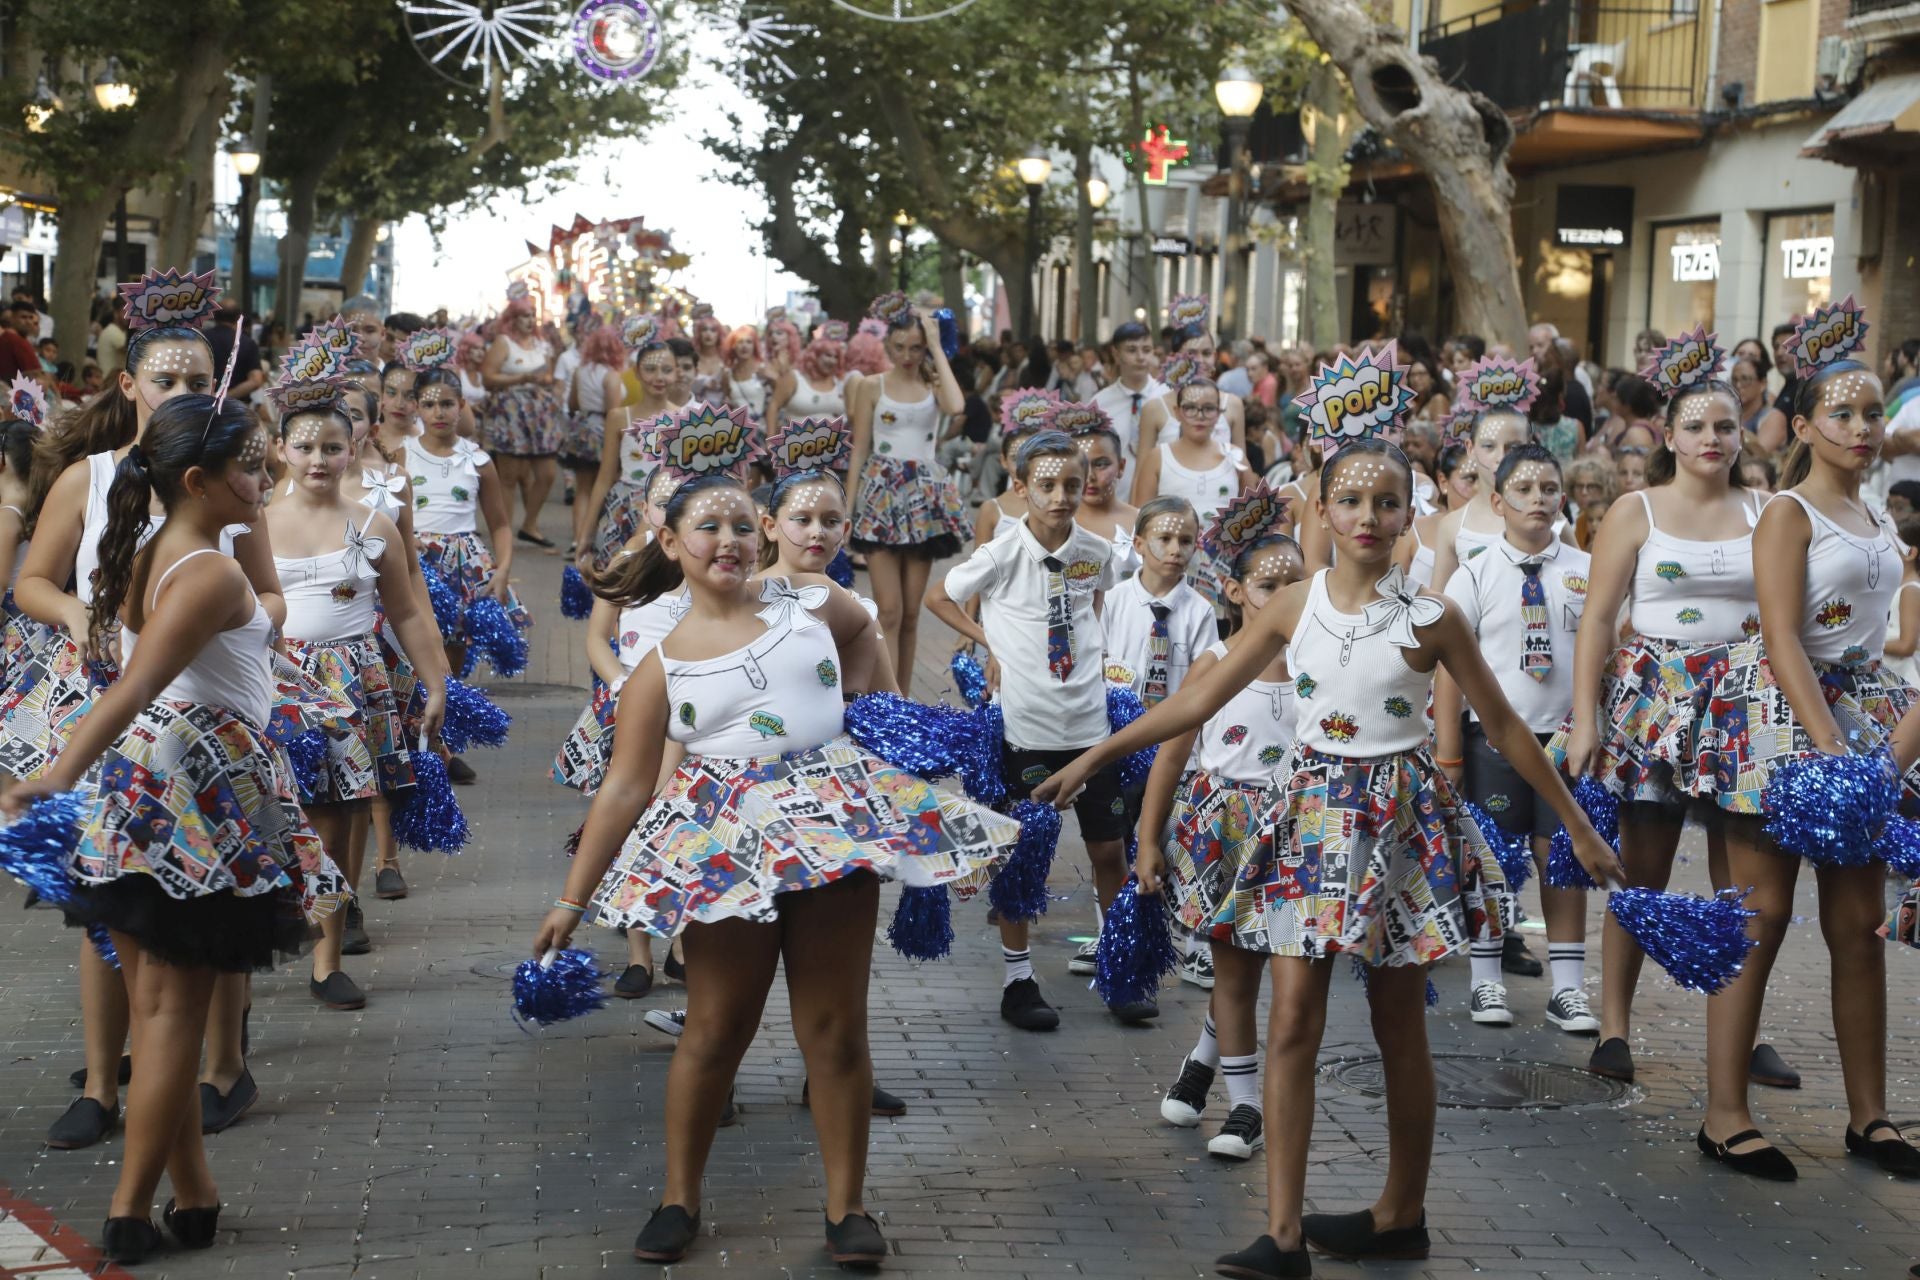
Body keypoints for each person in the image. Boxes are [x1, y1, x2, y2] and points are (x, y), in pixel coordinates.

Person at [1035, 418, 1618, 1278]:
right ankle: (1281, 1235)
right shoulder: (1292, 604)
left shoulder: (1432, 617)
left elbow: (1502, 724)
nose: (1368, 517)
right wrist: (1094, 756)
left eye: (1387, 502)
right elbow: (1196, 703)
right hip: (1308, 818)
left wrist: (1576, 823)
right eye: (1350, 500)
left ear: (1411, 513)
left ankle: (1401, 1215)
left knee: (1398, 1025)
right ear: (1321, 509)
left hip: (1401, 822)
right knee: (1293, 1021)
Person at [532, 416, 1013, 1268]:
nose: (727, 540)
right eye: (706, 527)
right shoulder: (659, 665)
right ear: (671, 544)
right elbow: (626, 789)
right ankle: (679, 1197)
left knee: (835, 1029)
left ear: (762, 536)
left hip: (831, 824)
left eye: (740, 525)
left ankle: (847, 1208)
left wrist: (874, 717)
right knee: (717, 1028)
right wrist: (572, 901)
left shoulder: (814, 604)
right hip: (725, 843)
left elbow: (864, 638)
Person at [2, 395, 347, 1266]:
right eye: (252, 467)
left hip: (147, 784)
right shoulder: (211, 574)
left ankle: (194, 1194)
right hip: (197, 788)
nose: (265, 479)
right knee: (169, 1019)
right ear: (198, 481)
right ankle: (127, 1210)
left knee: (165, 1015)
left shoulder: (149, 550)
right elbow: (134, 686)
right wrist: (55, 776)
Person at [1701, 324, 1920, 1181]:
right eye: (1843, 414)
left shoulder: (1875, 514)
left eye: (1872, 413)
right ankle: (1725, 1114)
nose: (1862, 428)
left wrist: (1875, 754)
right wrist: (1830, 749)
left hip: (1861, 712)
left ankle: (1871, 1116)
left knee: (1858, 926)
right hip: (1781, 717)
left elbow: (1878, 635)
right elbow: (1782, 637)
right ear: (1802, 426)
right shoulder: (1788, 514)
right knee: (1758, 918)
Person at [1553, 336, 1794, 1088]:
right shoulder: (1636, 510)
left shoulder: (1767, 510)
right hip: (1654, 700)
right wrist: (1585, 718)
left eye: (1725, 426)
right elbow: (1598, 620)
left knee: (1744, 880)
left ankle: (1744, 1032)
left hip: (1744, 702)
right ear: (1669, 435)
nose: (1711, 439)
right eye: (1695, 427)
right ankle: (1614, 1028)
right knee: (1642, 868)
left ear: (1741, 434)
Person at [926, 430, 1137, 1028]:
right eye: (1046, 484)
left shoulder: (1096, 551)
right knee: (1022, 855)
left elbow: (1096, 603)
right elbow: (939, 597)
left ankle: (1118, 966)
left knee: (1108, 851)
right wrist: (989, 641)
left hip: (1091, 726)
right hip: (1026, 728)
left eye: (1072, 483)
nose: (1061, 496)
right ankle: (1018, 979)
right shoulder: (1001, 554)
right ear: (1020, 487)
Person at [267, 372, 447, 1012]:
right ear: (281, 449)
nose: (318, 460)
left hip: (353, 678)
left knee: (340, 816)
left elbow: (407, 612)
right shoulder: (252, 524)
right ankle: (268, 929)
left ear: (353, 450)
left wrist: (435, 683)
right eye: (305, 447)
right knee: (276, 810)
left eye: (332, 448)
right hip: (274, 680)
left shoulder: (375, 524)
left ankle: (328, 959)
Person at [1147, 486, 1302, 1161]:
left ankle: (1204, 1062)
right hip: (1224, 833)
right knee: (1235, 972)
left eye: (1298, 583)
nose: (1287, 596)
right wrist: (1148, 839)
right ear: (1236, 593)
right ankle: (1246, 1106)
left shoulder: (1319, 665)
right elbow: (1171, 752)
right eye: (1270, 586)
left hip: (1296, 831)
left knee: (1271, 970)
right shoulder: (1213, 664)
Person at [1436, 443, 1597, 1033]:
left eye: (1549, 489)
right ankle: (1486, 978)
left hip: (1566, 738)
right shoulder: (1475, 573)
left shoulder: (1585, 570)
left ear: (1563, 499)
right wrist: (1449, 751)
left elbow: (1604, 650)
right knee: (1493, 859)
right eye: (1524, 490)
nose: (1538, 499)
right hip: (1493, 741)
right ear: (1498, 501)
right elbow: (1449, 667)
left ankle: (1568, 988)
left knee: (1562, 857)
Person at [844, 296, 969, 694]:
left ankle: (905, 697)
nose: (907, 356)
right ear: (887, 344)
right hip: (881, 493)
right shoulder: (870, 385)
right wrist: (848, 509)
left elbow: (957, 405)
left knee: (912, 613)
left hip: (924, 498)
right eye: (899, 346)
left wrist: (936, 346)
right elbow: (859, 449)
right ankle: (886, 696)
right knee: (889, 610)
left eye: (916, 347)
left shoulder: (934, 383)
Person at [407, 364, 524, 716]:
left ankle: (446, 726)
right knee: (412, 641)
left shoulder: (479, 460)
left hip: (463, 562)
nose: (438, 413)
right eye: (429, 404)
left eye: (446, 404)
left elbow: (500, 524)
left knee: (455, 645)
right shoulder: (401, 455)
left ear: (461, 405)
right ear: (416, 407)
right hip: (415, 563)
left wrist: (503, 570)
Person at [583, 324, 686, 568]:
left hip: (665, 509)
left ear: (676, 374)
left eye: (666, 370)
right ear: (637, 373)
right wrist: (585, 534)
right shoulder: (619, 417)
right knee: (613, 575)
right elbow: (604, 478)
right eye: (650, 369)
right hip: (622, 508)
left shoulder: (685, 419)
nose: (659, 377)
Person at [479, 289, 562, 550]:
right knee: (509, 476)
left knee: (547, 473)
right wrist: (521, 378)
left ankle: (530, 524)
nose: (530, 320)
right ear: (512, 319)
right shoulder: (504, 342)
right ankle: (502, 532)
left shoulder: (542, 344)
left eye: (532, 315)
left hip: (539, 412)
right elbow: (488, 378)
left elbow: (549, 376)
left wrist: (543, 380)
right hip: (511, 411)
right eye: (524, 315)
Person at [563, 323, 626, 558]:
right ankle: (596, 540)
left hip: (582, 429)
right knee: (605, 484)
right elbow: (614, 411)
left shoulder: (580, 371)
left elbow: (572, 403)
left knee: (582, 488)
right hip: (603, 432)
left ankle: (577, 539)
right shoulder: (611, 376)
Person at [1091, 321, 1166, 470]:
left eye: (1146, 350)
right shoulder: (1100, 404)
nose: (1140, 357)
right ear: (1116, 354)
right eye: (1132, 350)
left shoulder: (1167, 398)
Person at [767, 319, 850, 432]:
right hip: (794, 441)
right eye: (827, 355)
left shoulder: (841, 383)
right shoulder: (794, 378)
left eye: (835, 357)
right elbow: (774, 406)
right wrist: (770, 438)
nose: (831, 361)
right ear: (815, 356)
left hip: (832, 442)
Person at [1885, 511, 1920, 688]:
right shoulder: (1899, 587)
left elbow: (1907, 645)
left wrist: (1868, 645)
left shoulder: (1911, 590)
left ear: (1910, 553)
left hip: (1904, 681)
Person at [205, 309, 265, 404]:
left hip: (203, 405)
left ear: (214, 317)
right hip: (237, 406)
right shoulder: (248, 343)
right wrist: (221, 397)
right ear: (238, 318)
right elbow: (255, 380)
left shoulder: (201, 340)